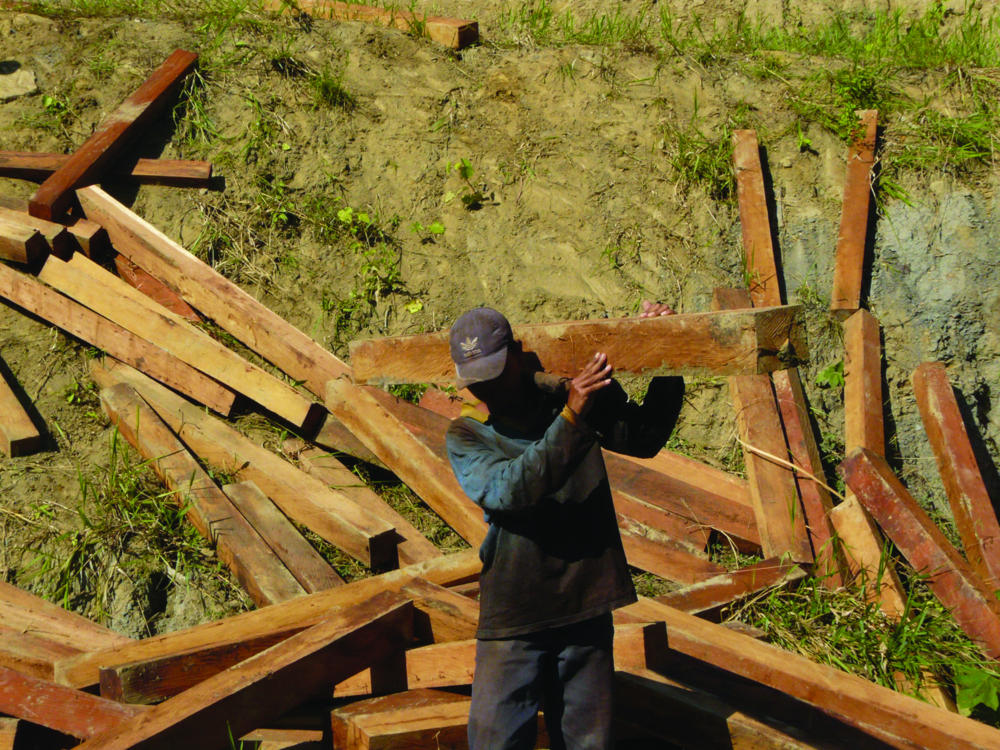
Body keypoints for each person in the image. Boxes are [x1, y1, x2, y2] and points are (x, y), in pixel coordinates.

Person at [444, 301, 682, 750]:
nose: (488, 390)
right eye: (477, 382)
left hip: (584, 602)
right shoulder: (468, 434)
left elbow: (645, 437)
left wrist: (664, 350)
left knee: (587, 742)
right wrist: (572, 415)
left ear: (517, 353)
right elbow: (510, 491)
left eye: (495, 373)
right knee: (494, 740)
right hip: (516, 609)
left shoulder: (569, 399)